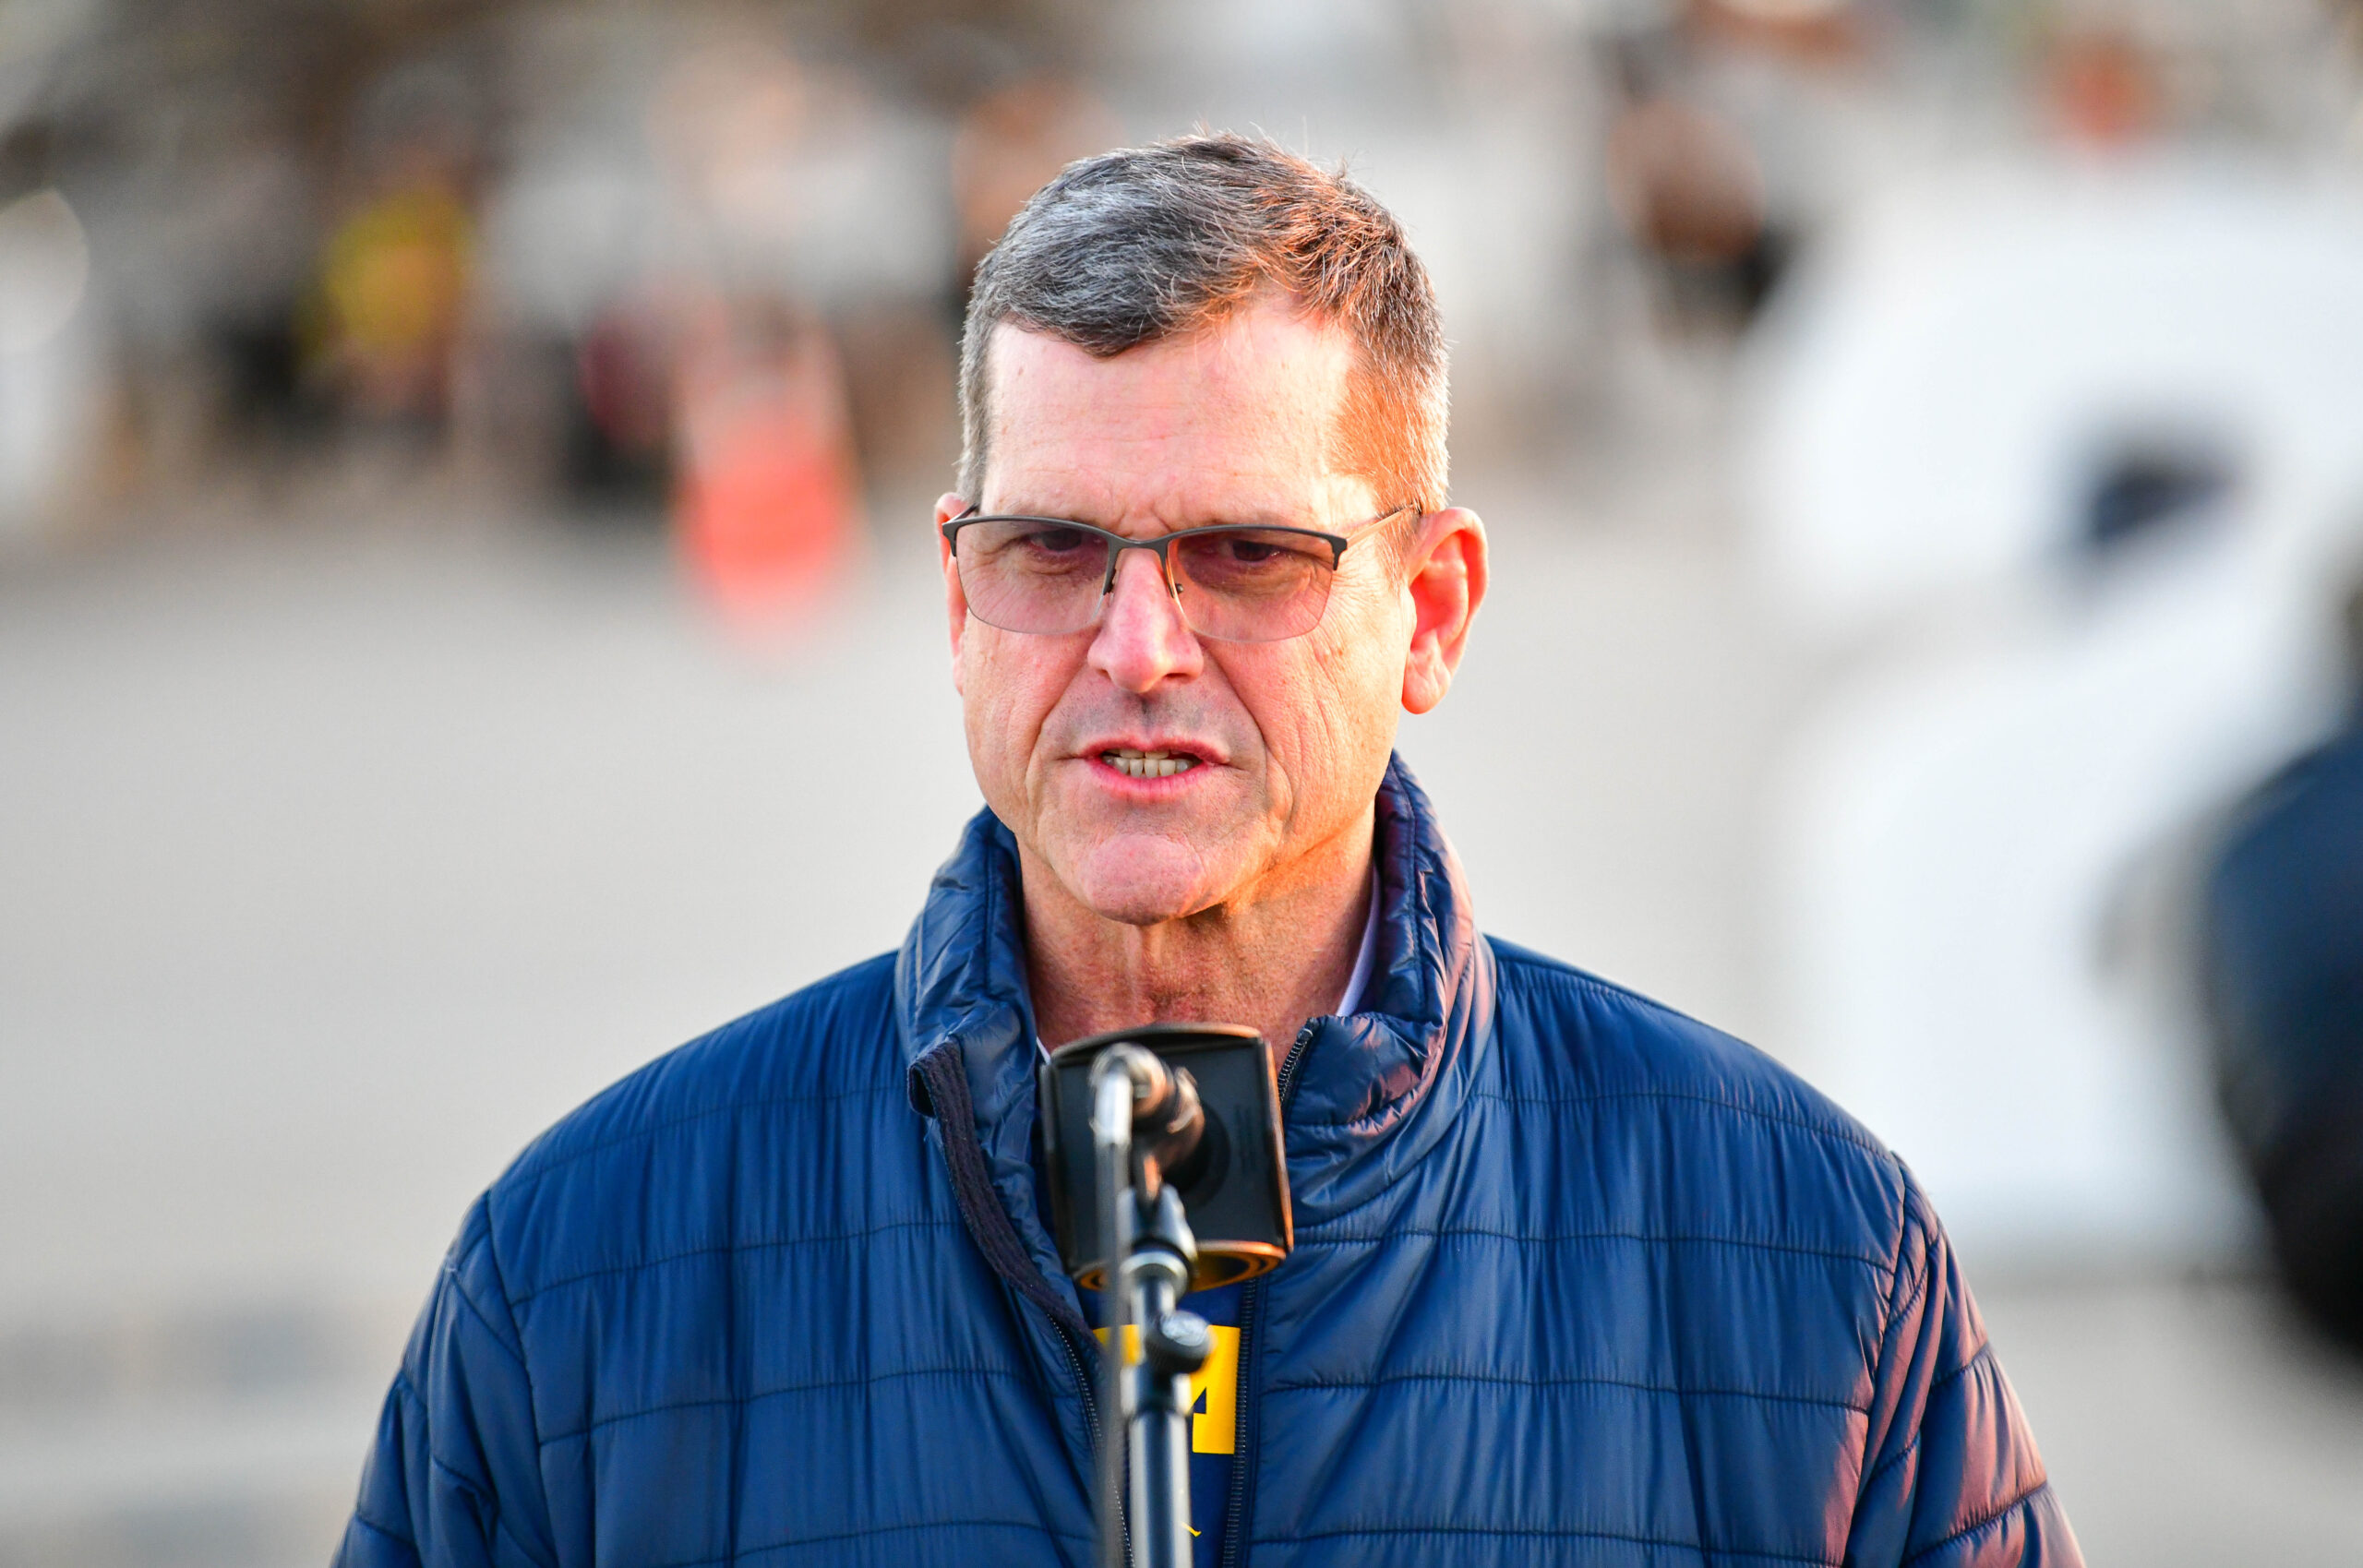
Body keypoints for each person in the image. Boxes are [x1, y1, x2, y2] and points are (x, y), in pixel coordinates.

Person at [338, 134, 2079, 1568]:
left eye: (1248, 555)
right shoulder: (584, 1273)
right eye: (1051, 551)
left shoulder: (1810, 1264)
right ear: (957, 597)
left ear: (1432, 610)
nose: (1139, 648)